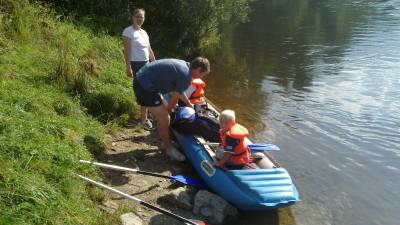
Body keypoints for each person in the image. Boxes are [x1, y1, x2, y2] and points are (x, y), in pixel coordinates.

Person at [133, 57, 210, 161]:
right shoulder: (185, 76)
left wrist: (188, 104)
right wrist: (167, 113)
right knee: (165, 118)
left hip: (144, 80)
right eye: (203, 74)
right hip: (144, 87)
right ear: (199, 69)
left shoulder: (185, 66)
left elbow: (179, 90)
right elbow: (174, 99)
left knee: (164, 116)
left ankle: (164, 140)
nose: (202, 77)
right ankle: (169, 149)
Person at [122, 8, 156, 130]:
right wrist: (128, 67)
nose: (139, 19)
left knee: (149, 89)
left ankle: (146, 114)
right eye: (137, 16)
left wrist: (155, 64)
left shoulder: (144, 32)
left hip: (147, 64)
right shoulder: (128, 32)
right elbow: (127, 51)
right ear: (133, 17)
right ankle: (143, 120)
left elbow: (149, 50)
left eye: (141, 17)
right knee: (144, 90)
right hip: (136, 64)